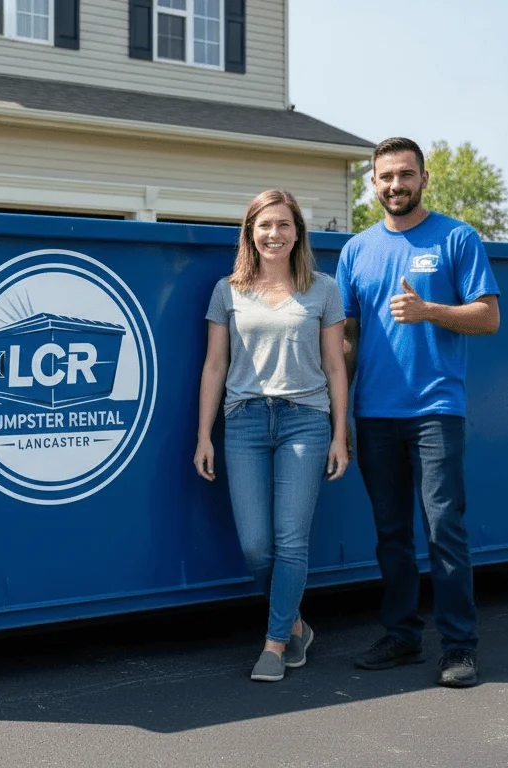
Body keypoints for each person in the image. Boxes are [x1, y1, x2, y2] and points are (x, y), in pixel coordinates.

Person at [336, 137, 501, 688]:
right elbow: (349, 338)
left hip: (435, 411)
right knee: (390, 533)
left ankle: (460, 648)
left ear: (424, 178)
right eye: (385, 177)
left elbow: (488, 317)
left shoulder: (457, 237)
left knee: (444, 530)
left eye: (405, 175)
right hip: (374, 413)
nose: (395, 186)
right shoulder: (356, 250)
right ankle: (402, 636)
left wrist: (428, 310)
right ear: (373, 182)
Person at [194, 189, 350, 683]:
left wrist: (340, 434)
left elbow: (334, 365)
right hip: (243, 423)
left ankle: (275, 643)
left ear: (298, 233)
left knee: (291, 540)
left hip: (305, 420)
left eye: (284, 225)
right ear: (250, 232)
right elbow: (215, 365)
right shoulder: (229, 289)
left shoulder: (323, 289)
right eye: (264, 225)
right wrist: (204, 435)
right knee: (257, 546)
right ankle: (297, 623)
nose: (274, 234)